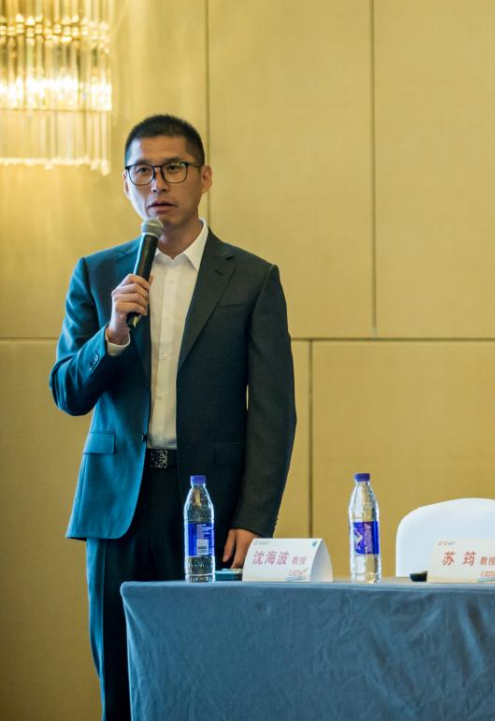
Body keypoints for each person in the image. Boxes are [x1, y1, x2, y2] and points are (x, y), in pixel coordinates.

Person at [50, 114, 296, 720]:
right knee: (120, 677)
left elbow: (273, 413)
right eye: (142, 171)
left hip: (208, 506)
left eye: (173, 168)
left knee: (207, 677)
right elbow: (67, 392)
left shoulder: (252, 279)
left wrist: (254, 517)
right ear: (126, 184)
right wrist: (112, 334)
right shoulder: (98, 274)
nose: (157, 183)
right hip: (118, 509)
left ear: (204, 177)